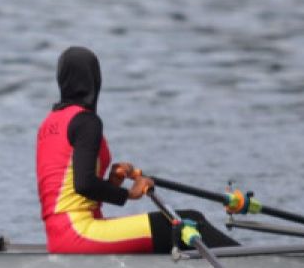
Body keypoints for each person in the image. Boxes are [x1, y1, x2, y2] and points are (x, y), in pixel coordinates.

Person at [35, 46, 238, 254]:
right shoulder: (87, 122)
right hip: (80, 233)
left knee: (171, 229)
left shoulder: (49, 124)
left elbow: (71, 192)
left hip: (58, 237)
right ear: (94, 80)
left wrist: (112, 184)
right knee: (190, 222)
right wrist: (129, 193)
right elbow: (84, 184)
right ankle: (259, 263)